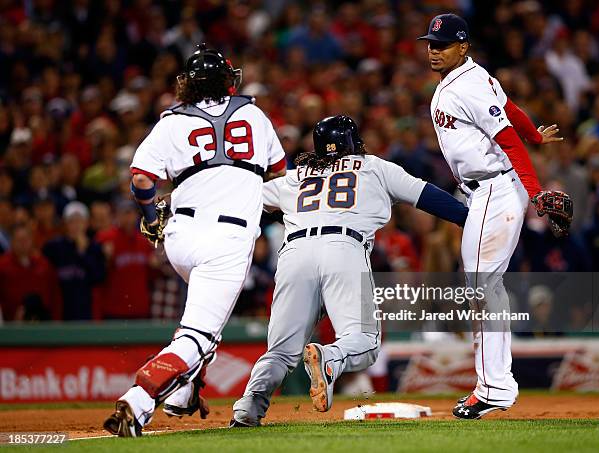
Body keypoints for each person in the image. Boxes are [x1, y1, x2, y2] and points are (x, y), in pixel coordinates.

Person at [229, 115, 469, 426]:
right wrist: (468, 217)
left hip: (294, 253)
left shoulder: (295, 176)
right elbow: (429, 197)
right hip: (343, 247)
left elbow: (243, 200)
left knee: (281, 351)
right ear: (355, 143)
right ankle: (331, 358)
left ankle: (249, 407)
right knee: (365, 341)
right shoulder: (373, 166)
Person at [103, 44, 286, 437]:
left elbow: (140, 181)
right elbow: (278, 173)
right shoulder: (253, 113)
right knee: (199, 335)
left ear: (187, 85)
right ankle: (139, 398)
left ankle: (182, 395)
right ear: (227, 80)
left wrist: (151, 217)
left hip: (179, 237)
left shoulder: (171, 121)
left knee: (204, 323)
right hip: (229, 238)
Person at [417, 14, 572, 419]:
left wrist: (535, 191)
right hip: (484, 189)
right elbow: (509, 109)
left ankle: (493, 388)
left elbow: (505, 137)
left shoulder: (466, 84)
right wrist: (535, 134)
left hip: (495, 187)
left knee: (481, 285)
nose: (434, 50)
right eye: (431, 44)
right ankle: (496, 383)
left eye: (443, 44)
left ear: (463, 47)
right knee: (485, 285)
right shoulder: (472, 75)